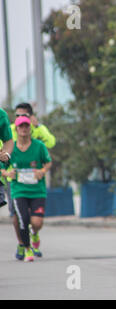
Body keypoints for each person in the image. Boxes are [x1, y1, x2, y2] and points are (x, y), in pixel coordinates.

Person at [8, 102, 56, 260]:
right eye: (17, 116)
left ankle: (31, 235)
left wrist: (39, 127)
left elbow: (51, 143)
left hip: (35, 183)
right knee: (18, 216)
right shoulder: (9, 130)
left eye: (24, 116)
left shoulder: (36, 130)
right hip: (14, 180)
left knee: (35, 221)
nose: (21, 121)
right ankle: (23, 243)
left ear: (30, 117)